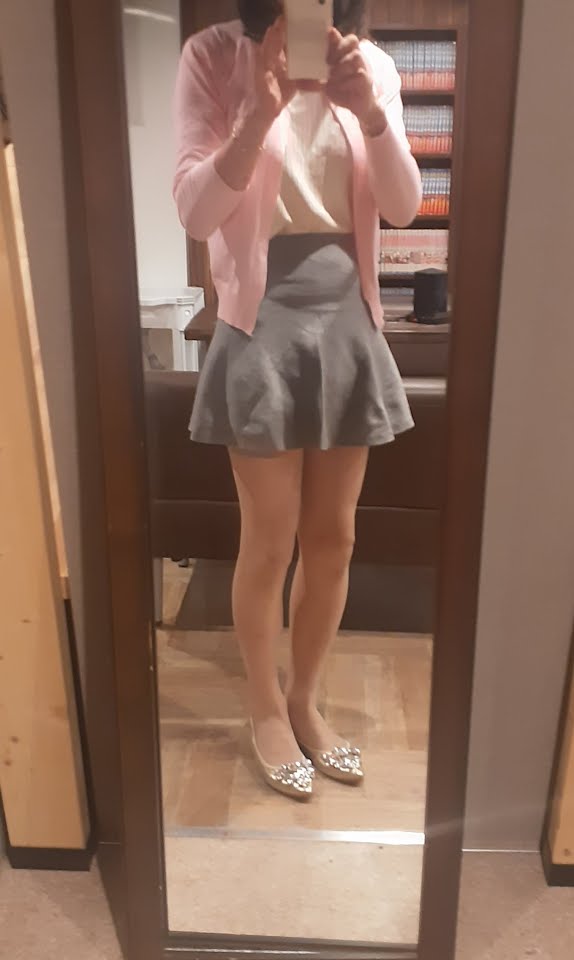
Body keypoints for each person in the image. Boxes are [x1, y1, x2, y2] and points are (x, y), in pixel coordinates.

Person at [173, 0, 422, 800]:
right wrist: (256, 116)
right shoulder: (213, 57)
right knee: (269, 543)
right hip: (260, 322)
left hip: (347, 317)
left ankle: (305, 700)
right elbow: (195, 212)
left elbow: (403, 207)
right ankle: (263, 708)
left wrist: (371, 115)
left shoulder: (369, 64)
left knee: (334, 539)